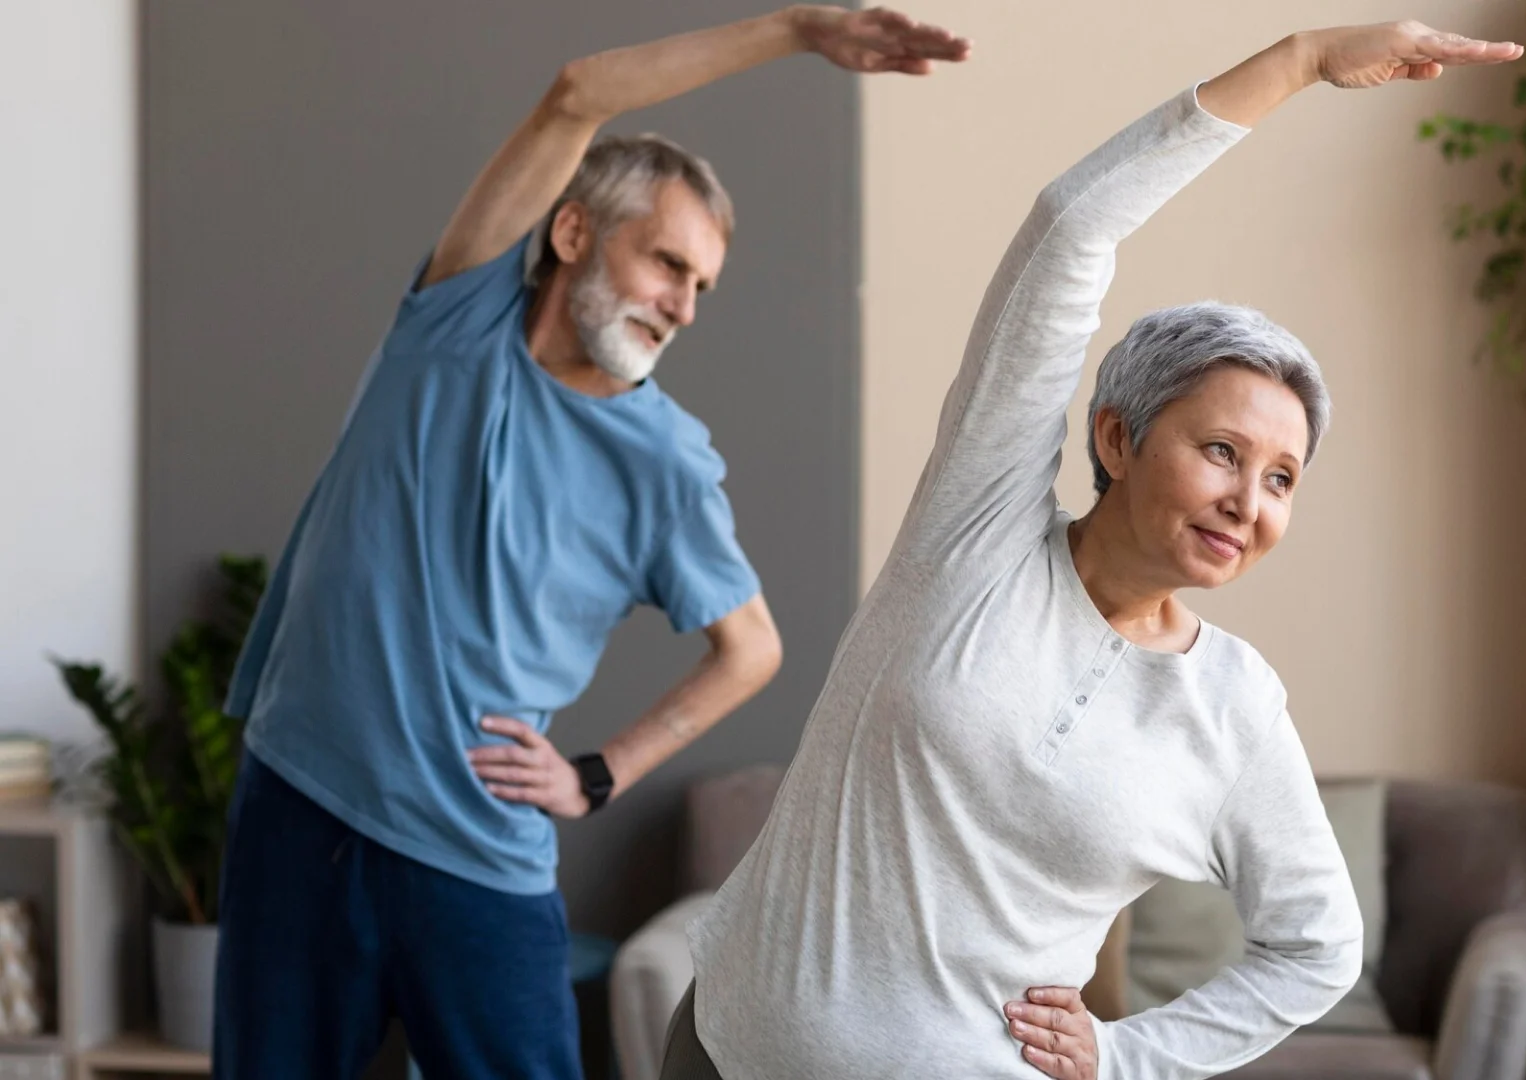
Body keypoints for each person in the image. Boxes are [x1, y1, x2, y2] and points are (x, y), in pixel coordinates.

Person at [668, 19, 1523, 1080]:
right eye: (1222, 451)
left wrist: (1126, 1057)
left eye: (1282, 479)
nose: (1247, 501)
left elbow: (1318, 948)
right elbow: (1071, 229)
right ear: (1117, 439)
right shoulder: (976, 534)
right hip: (724, 1053)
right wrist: (1299, 62)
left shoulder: (1233, 707)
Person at [209, 8, 969, 1078]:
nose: (684, 306)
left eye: (701, 286)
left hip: (474, 855)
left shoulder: (667, 463)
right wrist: (798, 30)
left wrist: (599, 775)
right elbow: (578, 93)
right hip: (300, 806)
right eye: (667, 264)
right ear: (572, 234)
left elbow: (752, 648)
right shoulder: (456, 320)